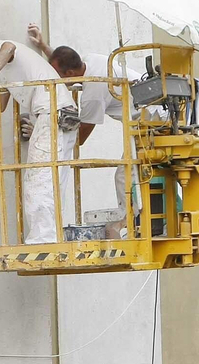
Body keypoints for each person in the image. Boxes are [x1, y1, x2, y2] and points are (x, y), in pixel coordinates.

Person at [0, 30, 76, 244]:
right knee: (54, 180)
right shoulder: (3, 70)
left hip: (52, 113)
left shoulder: (1, 47)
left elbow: (9, 48)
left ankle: (43, 240)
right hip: (63, 115)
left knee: (38, 178)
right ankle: (53, 236)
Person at [25, 24, 133, 235]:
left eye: (58, 77)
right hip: (146, 118)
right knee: (130, 173)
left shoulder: (94, 92)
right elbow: (66, 64)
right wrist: (44, 47)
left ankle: (131, 224)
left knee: (126, 175)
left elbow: (79, 138)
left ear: (70, 73)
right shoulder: (90, 61)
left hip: (151, 121)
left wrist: (42, 133)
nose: (56, 82)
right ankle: (132, 221)